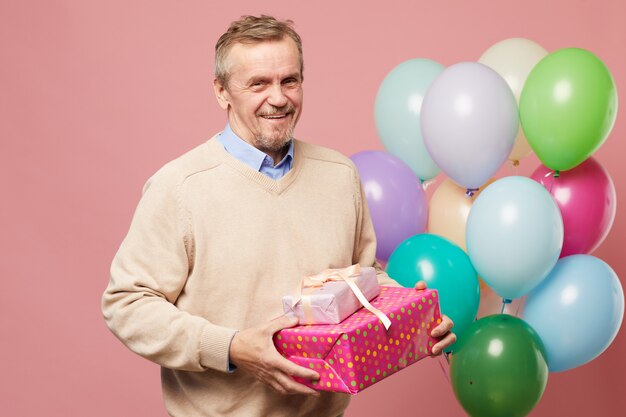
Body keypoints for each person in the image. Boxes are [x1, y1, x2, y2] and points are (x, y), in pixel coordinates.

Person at [102, 15, 455, 417]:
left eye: (290, 81)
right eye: (258, 84)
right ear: (222, 92)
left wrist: (409, 312)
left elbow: (362, 278)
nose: (279, 98)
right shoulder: (178, 187)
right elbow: (126, 304)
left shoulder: (339, 175)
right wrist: (231, 347)